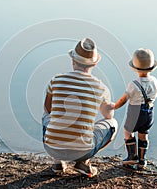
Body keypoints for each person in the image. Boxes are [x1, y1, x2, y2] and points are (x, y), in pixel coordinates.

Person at [42, 38, 118, 177]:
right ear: (94, 64)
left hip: (52, 148)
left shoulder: (56, 80)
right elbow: (108, 116)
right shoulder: (101, 88)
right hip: (83, 150)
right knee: (113, 124)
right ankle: (84, 162)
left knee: (47, 117)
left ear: (73, 61)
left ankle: (58, 162)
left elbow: (48, 110)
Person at [113, 48, 157, 168]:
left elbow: (124, 99)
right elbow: (155, 95)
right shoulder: (154, 81)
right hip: (149, 113)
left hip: (135, 112)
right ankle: (142, 160)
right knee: (143, 134)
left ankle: (132, 156)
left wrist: (114, 106)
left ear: (135, 68)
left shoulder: (133, 84)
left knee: (128, 131)